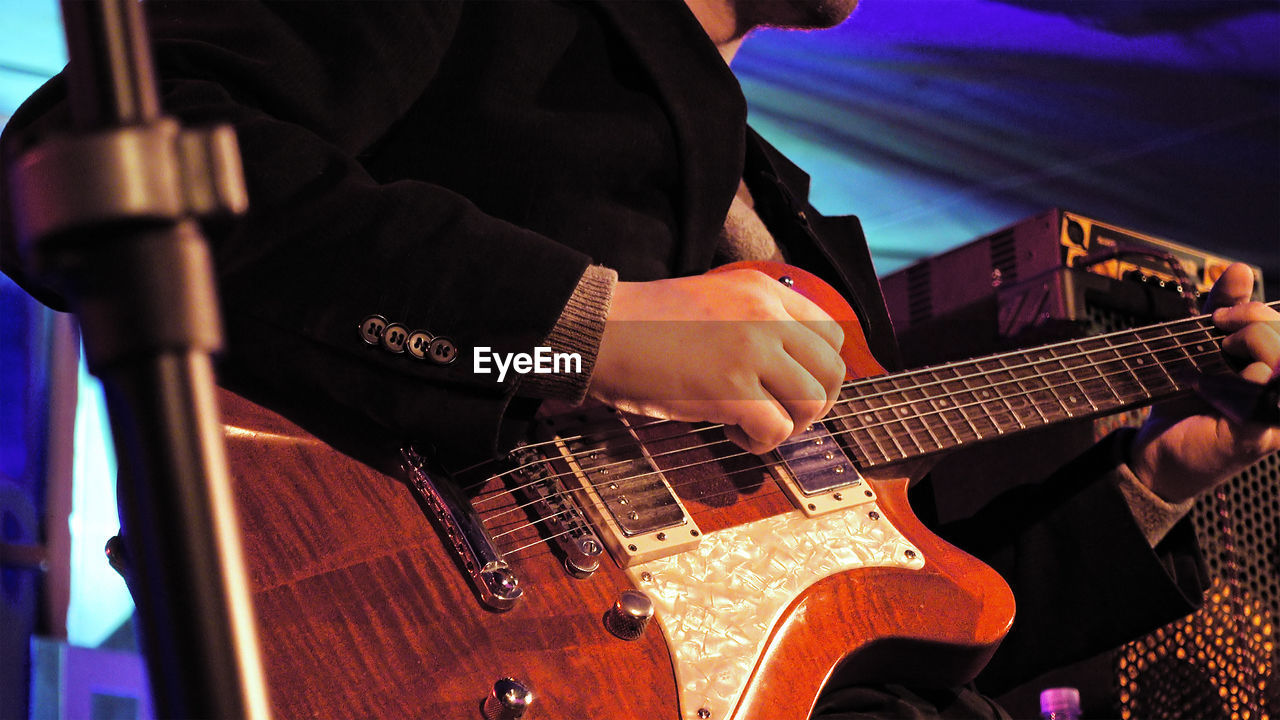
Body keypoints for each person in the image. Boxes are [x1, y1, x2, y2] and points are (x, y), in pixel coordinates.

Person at [2, 1, 1277, 717]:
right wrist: (578, 326)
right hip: (425, 635)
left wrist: (1151, 483)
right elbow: (99, 159)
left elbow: (887, 611)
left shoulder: (786, 220)